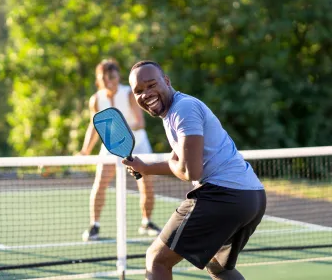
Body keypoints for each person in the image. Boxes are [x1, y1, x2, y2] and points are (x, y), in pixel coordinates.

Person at [122, 60, 266, 280]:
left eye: (151, 85)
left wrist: (169, 165)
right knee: (217, 266)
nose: (146, 94)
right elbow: (180, 161)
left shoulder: (183, 110)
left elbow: (192, 171)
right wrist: (145, 168)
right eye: (139, 91)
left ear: (167, 81)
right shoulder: (173, 112)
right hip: (251, 197)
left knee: (156, 260)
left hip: (224, 195)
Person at [79, 58, 161, 241]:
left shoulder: (129, 94)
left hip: (138, 144)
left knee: (146, 184)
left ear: (118, 76)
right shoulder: (96, 100)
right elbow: (94, 126)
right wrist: (85, 150)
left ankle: (146, 222)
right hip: (110, 148)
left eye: (112, 76)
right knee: (100, 183)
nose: (109, 80)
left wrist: (119, 129)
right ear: (99, 79)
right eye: (104, 77)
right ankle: (94, 226)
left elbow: (140, 123)